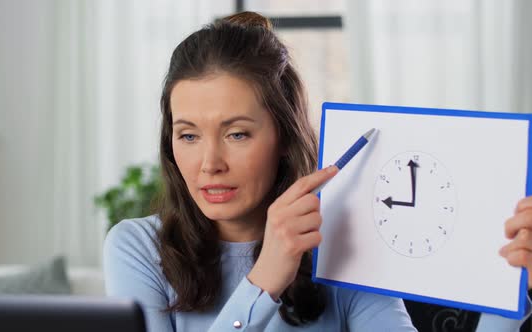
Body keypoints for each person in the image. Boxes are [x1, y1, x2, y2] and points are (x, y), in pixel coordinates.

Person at [104, 11, 532, 331]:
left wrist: (508, 288)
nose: (209, 164)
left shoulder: (342, 249)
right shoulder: (137, 248)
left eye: (236, 134)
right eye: (189, 136)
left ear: (285, 137)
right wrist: (264, 281)